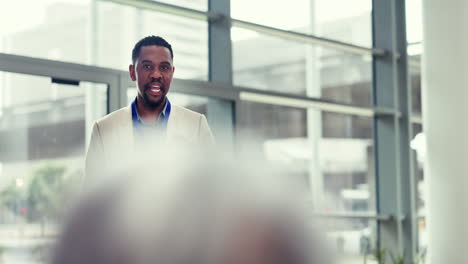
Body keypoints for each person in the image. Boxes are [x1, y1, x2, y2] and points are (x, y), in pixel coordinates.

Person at [85, 36, 215, 182]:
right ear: (133, 72)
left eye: (164, 68)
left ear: (172, 73)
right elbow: (91, 191)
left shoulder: (196, 125)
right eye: (147, 66)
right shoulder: (103, 129)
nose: (156, 75)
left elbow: (211, 186)